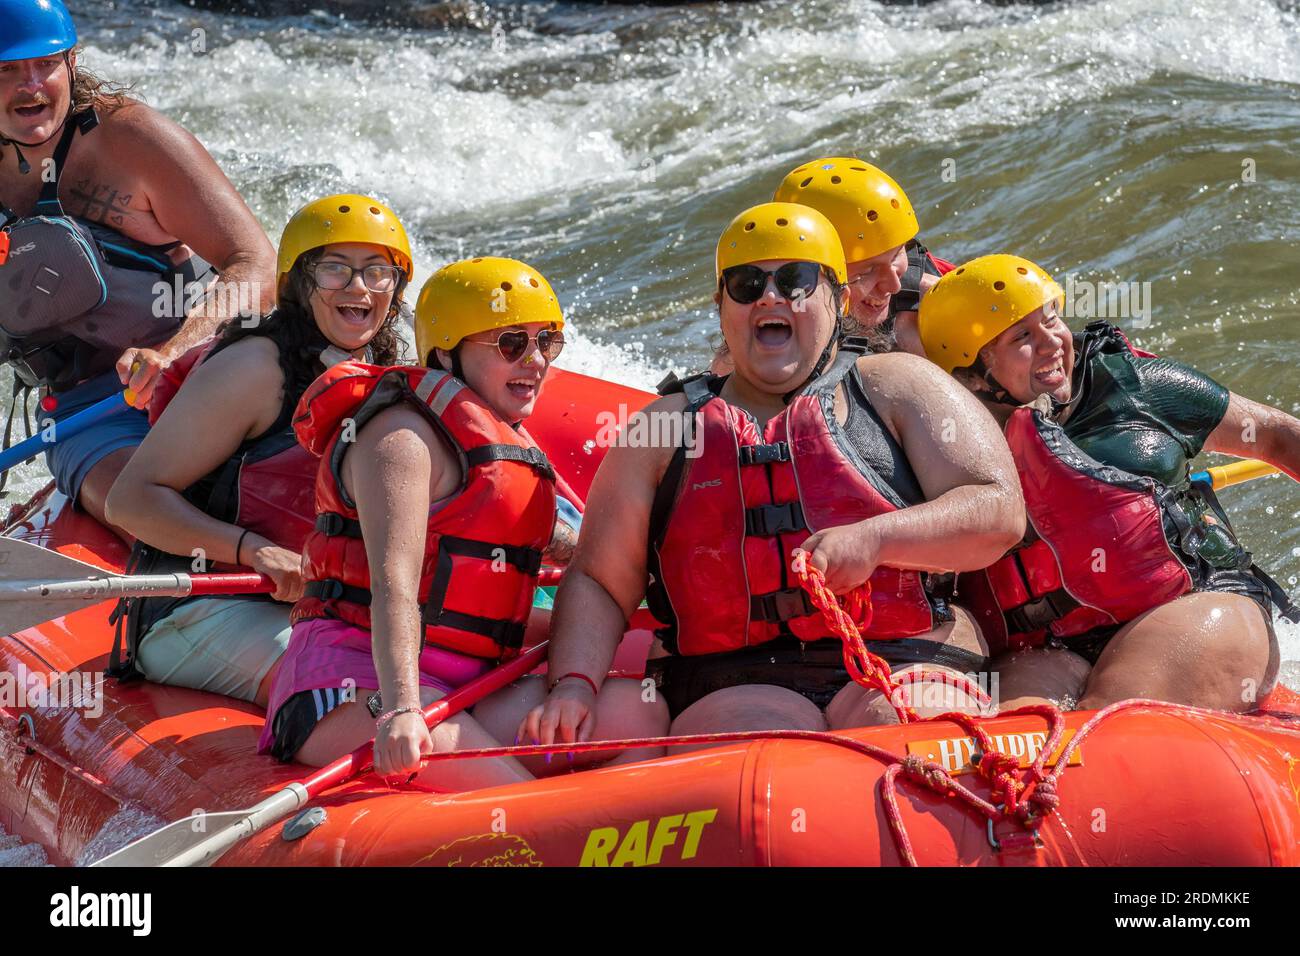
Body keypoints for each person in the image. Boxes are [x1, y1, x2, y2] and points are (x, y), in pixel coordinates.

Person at [519, 202, 1024, 751]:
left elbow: (997, 508)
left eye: (795, 281)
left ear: (837, 298)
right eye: (745, 284)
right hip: (737, 677)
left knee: (905, 735)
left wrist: (876, 539)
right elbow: (598, 581)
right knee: (757, 755)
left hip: (907, 656)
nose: (769, 297)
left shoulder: (898, 385)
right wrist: (572, 684)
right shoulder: (661, 431)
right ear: (722, 309)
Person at [916, 255, 1300, 711]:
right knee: (1011, 739)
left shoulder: (1137, 388)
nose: (1051, 344)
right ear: (972, 376)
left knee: (1106, 720)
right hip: (1053, 648)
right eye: (1022, 337)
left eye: (1051, 320)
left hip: (1196, 600)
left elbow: (1277, 437)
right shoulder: (946, 448)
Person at [257, 257, 579, 788]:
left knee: (638, 714)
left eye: (547, 342)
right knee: (516, 796)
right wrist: (402, 708)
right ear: (446, 351)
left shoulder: (498, 446)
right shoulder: (400, 438)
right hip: (354, 682)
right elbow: (393, 584)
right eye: (511, 344)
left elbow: (554, 543)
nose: (536, 360)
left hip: (470, 678)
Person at [103, 195, 411, 707]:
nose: (359, 287)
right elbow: (130, 501)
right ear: (298, 283)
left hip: (316, 607)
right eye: (335, 269)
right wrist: (252, 550)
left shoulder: (383, 369)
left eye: (378, 272)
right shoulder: (256, 368)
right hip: (199, 608)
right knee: (376, 694)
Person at [0, 0, 275, 527]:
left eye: (45, 64)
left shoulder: (132, 141)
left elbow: (256, 266)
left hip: (200, 373)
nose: (30, 85)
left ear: (72, 62)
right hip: (85, 410)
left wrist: (174, 352)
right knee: (138, 507)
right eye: (6, 68)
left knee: (206, 502)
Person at [772, 157, 954, 354]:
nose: (894, 286)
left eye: (895, 256)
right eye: (865, 273)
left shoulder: (938, 291)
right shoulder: (764, 326)